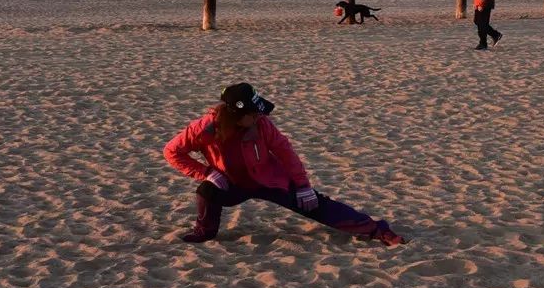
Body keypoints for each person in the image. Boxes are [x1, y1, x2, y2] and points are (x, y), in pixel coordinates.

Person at [164, 82, 406, 246]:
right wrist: (205, 172)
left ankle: (377, 230)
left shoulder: (263, 126)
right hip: (231, 184)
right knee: (206, 191)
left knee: (315, 203)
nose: (261, 116)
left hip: (268, 180)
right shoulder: (205, 128)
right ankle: (204, 232)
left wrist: (303, 185)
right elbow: (172, 151)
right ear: (238, 115)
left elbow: (286, 153)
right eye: (255, 114)